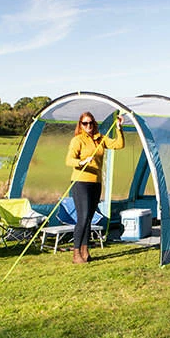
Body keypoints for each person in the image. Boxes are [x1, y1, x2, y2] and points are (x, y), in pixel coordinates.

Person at [65, 111, 124, 264]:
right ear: (80, 125)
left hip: (96, 183)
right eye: (85, 123)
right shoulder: (77, 140)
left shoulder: (100, 139)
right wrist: (81, 162)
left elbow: (119, 145)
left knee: (89, 218)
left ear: (94, 123)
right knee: (83, 218)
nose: (88, 126)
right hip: (80, 182)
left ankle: (85, 251)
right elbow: (69, 160)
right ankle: (76, 253)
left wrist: (119, 128)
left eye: (91, 123)